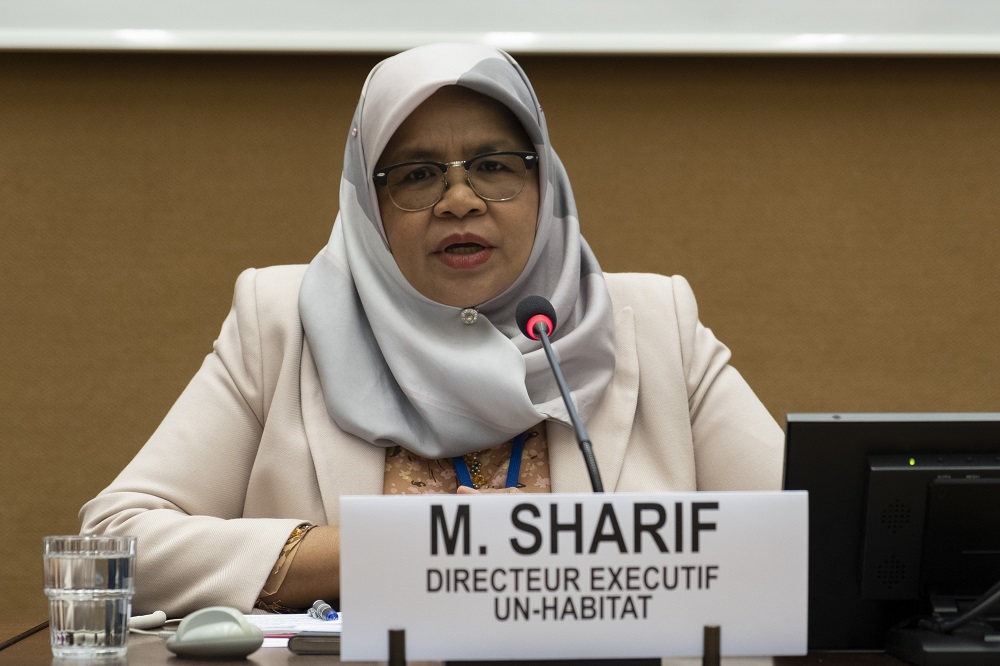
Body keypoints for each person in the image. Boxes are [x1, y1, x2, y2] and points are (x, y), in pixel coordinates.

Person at [79, 43, 783, 617]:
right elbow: (112, 548)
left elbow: (800, 540)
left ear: (547, 185)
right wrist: (400, 549)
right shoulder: (283, 322)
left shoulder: (654, 323)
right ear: (368, 206)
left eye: (494, 167)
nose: (460, 200)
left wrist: (561, 549)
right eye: (417, 175)